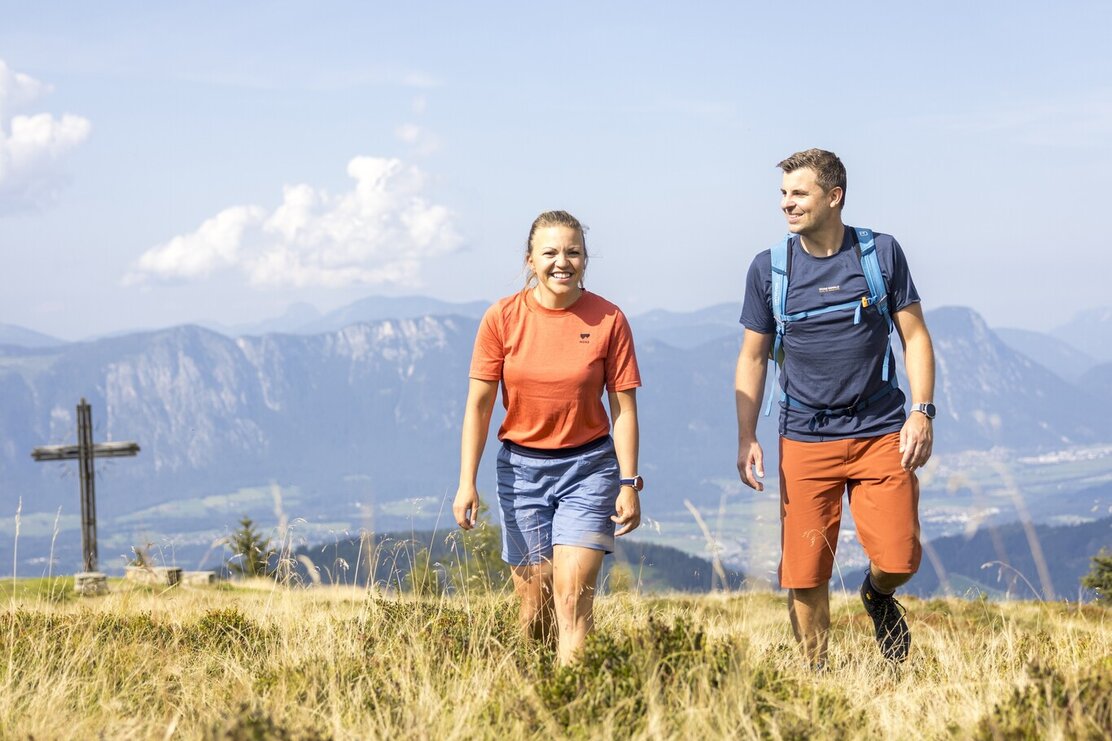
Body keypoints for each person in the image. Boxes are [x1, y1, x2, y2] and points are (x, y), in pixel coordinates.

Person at [735, 149, 936, 668]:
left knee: (899, 558)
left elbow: (914, 337)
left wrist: (922, 410)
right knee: (805, 572)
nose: (787, 204)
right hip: (804, 436)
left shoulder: (880, 254)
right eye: (783, 194)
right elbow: (753, 358)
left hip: (879, 430)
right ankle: (817, 676)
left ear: (834, 196)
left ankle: (876, 595)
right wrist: (747, 435)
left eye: (798, 193)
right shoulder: (769, 270)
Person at [453, 210, 643, 665]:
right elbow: (478, 406)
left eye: (573, 252)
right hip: (521, 472)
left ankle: (576, 703)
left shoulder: (609, 319)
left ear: (585, 259)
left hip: (590, 470)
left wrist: (629, 482)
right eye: (551, 252)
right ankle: (537, 695)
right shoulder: (502, 318)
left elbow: (624, 409)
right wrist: (467, 481)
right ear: (530, 261)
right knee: (535, 609)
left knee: (573, 597)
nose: (563, 262)